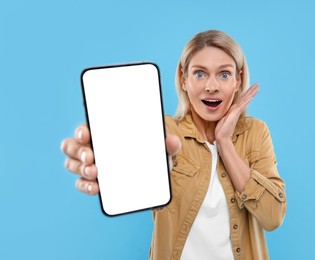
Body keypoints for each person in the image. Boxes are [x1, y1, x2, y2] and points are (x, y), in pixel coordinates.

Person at [61, 30, 286, 260]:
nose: (211, 86)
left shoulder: (256, 133)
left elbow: (273, 216)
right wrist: (102, 154)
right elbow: (137, 160)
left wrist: (225, 143)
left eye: (224, 75)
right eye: (199, 74)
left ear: (238, 80)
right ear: (183, 79)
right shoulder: (166, 132)